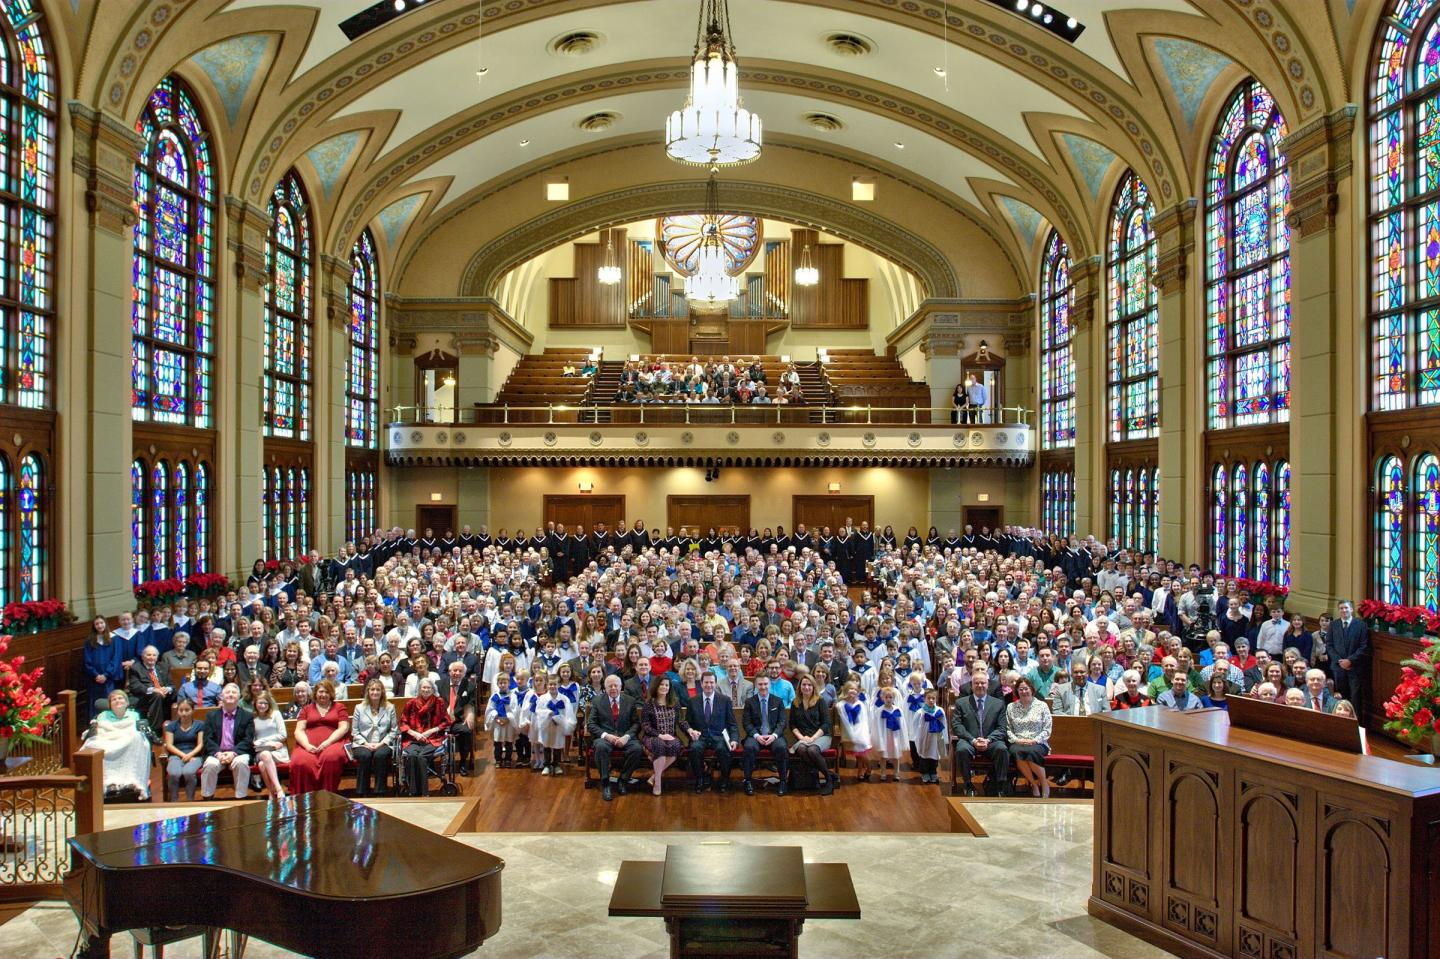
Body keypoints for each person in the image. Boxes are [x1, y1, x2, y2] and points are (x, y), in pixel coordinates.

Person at [86, 688, 157, 801]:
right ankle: (109, 782)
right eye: (114, 699)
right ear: (110, 704)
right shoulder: (103, 715)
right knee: (94, 744)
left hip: (127, 742)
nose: (117, 701)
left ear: (127, 702)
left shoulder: (134, 715)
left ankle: (131, 781)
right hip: (108, 741)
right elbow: (101, 731)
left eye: (120, 698)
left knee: (138, 739)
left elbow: (133, 730)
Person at [952, 666, 1011, 796]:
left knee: (1002, 749)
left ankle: (1000, 786)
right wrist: (973, 740)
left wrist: (988, 740)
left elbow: (1002, 727)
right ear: (971, 686)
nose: (980, 685)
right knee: (961, 750)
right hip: (969, 740)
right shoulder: (961, 703)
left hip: (991, 740)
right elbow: (957, 726)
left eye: (983, 683)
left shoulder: (998, 704)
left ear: (988, 685)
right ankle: (968, 785)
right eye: (976, 683)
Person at [585, 674, 643, 801]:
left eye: (615, 685)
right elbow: (591, 724)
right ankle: (605, 782)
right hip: (606, 737)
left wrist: (627, 736)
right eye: (609, 686)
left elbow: (636, 723)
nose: (613, 688)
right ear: (605, 688)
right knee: (600, 747)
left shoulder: (630, 701)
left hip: (625, 736)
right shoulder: (597, 701)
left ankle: (623, 779)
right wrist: (606, 736)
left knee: (637, 749)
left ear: (620, 686)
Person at [290, 679, 351, 794]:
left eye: (326, 692)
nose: (323, 694)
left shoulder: (339, 707)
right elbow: (299, 730)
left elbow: (344, 728)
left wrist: (327, 742)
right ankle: (305, 798)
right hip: (308, 744)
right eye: (320, 692)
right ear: (315, 693)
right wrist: (307, 745)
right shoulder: (306, 709)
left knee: (331, 758)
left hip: (333, 742)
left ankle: (328, 795)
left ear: (331, 693)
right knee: (300, 761)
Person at [681, 671, 737, 793]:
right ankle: (700, 779)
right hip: (700, 737)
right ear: (701, 684)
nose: (709, 685)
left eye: (711, 682)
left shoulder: (725, 700)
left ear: (715, 683)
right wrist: (691, 733)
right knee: (695, 749)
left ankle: (724, 779)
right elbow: (687, 723)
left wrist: (734, 740)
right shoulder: (692, 701)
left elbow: (732, 723)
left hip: (719, 736)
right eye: (706, 682)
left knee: (724, 749)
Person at [201, 683, 255, 799]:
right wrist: (218, 753)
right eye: (227, 692)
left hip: (237, 753)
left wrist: (233, 753)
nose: (230, 694)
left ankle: (241, 799)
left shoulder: (247, 716)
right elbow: (207, 739)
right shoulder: (211, 716)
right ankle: (207, 798)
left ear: (239, 696)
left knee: (241, 763)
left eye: (234, 692)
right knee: (210, 764)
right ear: (221, 696)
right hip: (217, 753)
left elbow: (248, 739)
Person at [400, 677, 449, 796]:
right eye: (424, 687)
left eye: (429, 687)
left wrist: (431, 731)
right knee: (412, 755)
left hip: (433, 738)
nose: (426, 690)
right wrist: (414, 733)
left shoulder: (439, 702)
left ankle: (423, 791)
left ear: (433, 689)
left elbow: (446, 721)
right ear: (419, 689)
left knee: (421, 756)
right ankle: (413, 790)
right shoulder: (411, 703)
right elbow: (403, 722)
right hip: (413, 738)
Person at [742, 674, 789, 795]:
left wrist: (774, 735)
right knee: (749, 747)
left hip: (773, 735)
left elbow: (782, 722)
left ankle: (783, 781)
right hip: (756, 736)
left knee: (781, 747)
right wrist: (757, 736)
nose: (763, 687)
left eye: (765, 684)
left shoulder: (777, 701)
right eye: (760, 684)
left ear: (769, 684)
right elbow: (747, 723)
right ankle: (747, 781)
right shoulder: (749, 702)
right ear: (756, 686)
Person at [1006, 676, 1052, 797]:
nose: (1024, 692)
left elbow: (1047, 729)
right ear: (1017, 691)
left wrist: (1035, 740)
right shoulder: (1011, 707)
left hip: (1038, 742)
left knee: (1031, 753)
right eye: (1021, 689)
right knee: (1017, 752)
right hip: (1018, 742)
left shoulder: (1042, 706)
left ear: (1031, 689)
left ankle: (1044, 783)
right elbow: (1008, 728)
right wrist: (1017, 740)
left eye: (1026, 688)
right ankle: (1034, 784)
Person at [351, 678, 398, 796]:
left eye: (378, 689)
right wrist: (366, 744)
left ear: (382, 691)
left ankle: (380, 790)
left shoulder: (390, 707)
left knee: (380, 755)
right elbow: (355, 731)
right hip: (363, 743)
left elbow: (394, 730)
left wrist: (380, 744)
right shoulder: (359, 708)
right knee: (364, 755)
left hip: (383, 742)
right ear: (368, 691)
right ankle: (362, 791)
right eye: (372, 689)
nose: (375, 692)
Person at [788, 674, 833, 794]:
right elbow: (792, 725)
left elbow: (826, 724)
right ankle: (829, 775)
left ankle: (828, 780)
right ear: (800, 687)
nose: (806, 687)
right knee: (802, 749)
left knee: (812, 750)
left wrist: (813, 738)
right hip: (804, 737)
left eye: (809, 685)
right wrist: (802, 738)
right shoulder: (795, 702)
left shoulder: (820, 701)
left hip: (822, 736)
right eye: (804, 684)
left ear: (813, 687)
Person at [641, 675, 684, 795]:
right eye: (661, 684)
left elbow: (681, 721)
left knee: (676, 745)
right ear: (656, 686)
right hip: (652, 736)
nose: (664, 687)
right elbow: (646, 726)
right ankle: (658, 783)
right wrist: (660, 735)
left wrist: (690, 730)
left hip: (671, 736)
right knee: (659, 745)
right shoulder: (649, 704)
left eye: (667, 685)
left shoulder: (675, 702)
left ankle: (654, 776)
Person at [1326, 601, 1369, 717]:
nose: (1343, 610)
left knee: (1355, 699)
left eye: (1346, 608)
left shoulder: (1360, 625)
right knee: (1341, 697)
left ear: (1351, 610)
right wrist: (1339, 661)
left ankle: (1356, 726)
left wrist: (1350, 660)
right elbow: (1329, 645)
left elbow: (1363, 646)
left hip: (1354, 668)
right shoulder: (1333, 625)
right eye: (1341, 608)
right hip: (1338, 668)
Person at [249, 688, 289, 799]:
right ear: (255, 704)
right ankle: (278, 789)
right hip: (261, 751)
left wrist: (267, 741)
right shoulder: (253, 718)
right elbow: (253, 741)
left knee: (263, 763)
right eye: (260, 703)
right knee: (264, 757)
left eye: (265, 703)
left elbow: (283, 735)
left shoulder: (276, 714)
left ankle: (272, 792)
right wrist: (264, 744)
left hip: (278, 750)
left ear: (269, 703)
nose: (262, 705)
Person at [163, 697, 204, 801]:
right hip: (176, 755)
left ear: (192, 710)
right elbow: (169, 745)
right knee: (173, 773)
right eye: (181, 710)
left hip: (195, 756)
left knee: (189, 772)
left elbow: (200, 744)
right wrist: (183, 755)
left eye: (187, 710)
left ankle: (190, 801)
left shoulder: (199, 725)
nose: (184, 713)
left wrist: (190, 755)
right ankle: (174, 802)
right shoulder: (171, 726)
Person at [533, 676, 575, 776]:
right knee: (547, 745)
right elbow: (538, 711)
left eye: (555, 684)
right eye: (550, 684)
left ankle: (556, 764)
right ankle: (547, 765)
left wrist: (562, 720)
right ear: (547, 685)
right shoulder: (542, 699)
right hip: (546, 726)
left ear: (559, 685)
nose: (552, 686)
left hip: (558, 727)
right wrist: (548, 713)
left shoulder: (564, 699)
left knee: (557, 745)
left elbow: (568, 713)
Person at [83, 617, 124, 720]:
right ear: (94, 626)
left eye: (101, 623)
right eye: (97, 624)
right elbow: (87, 661)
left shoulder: (114, 639)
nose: (100, 625)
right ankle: (95, 724)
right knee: (94, 703)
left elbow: (116, 659)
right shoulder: (89, 641)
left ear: (105, 624)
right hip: (94, 679)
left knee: (109, 700)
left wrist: (106, 675)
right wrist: (96, 675)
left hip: (109, 679)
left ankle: (111, 721)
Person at [127, 644, 175, 730]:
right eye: (148, 655)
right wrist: (153, 690)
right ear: (143, 657)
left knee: (178, 694)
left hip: (163, 694)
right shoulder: (136, 668)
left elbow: (171, 685)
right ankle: (155, 729)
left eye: (154, 655)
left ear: (157, 657)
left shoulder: (164, 667)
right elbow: (135, 686)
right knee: (157, 695)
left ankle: (174, 728)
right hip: (144, 696)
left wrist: (167, 689)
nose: (151, 657)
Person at [835, 681, 873, 782]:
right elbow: (841, 720)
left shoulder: (860, 704)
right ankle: (860, 772)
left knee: (862, 753)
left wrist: (860, 734)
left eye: (855, 689)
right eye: (851, 688)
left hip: (860, 733)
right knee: (858, 755)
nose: (853, 691)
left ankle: (869, 768)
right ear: (846, 690)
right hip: (849, 733)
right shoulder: (840, 705)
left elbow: (864, 721)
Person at [912, 687, 948, 785]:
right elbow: (915, 726)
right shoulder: (920, 712)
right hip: (925, 737)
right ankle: (925, 773)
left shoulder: (940, 711)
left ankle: (933, 772)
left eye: (933, 698)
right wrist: (917, 737)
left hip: (936, 737)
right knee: (925, 755)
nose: (931, 700)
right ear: (924, 699)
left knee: (934, 755)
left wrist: (944, 738)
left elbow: (944, 724)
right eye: (929, 698)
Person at [485, 680, 520, 768]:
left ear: (509, 684)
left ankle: (508, 759)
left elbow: (515, 710)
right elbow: (490, 709)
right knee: (497, 742)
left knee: (509, 742)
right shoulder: (495, 696)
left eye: (505, 683)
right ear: (497, 684)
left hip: (508, 722)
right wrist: (496, 718)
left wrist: (508, 719)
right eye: (500, 683)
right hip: (498, 722)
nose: (503, 685)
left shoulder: (512, 696)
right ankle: (498, 759)